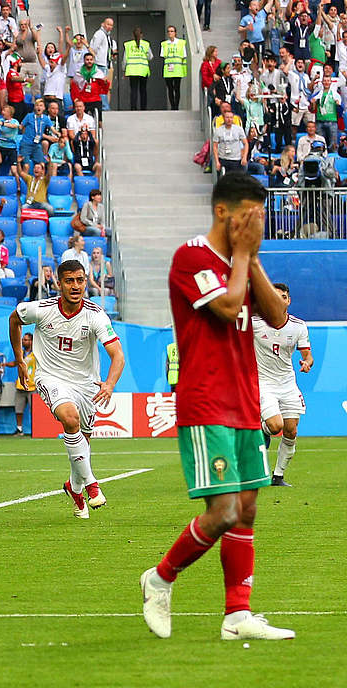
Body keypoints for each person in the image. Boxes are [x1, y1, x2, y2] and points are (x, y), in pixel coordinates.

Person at [141, 171, 295, 642]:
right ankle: (160, 578)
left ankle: (236, 615)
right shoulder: (192, 257)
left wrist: (252, 259)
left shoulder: (242, 261)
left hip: (246, 400)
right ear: (223, 212)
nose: (257, 226)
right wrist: (244, 255)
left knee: (247, 509)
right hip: (207, 402)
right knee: (224, 510)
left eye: (261, 218)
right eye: (251, 217)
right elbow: (228, 308)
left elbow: (276, 315)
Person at [9, 259, 125, 517]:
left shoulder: (95, 315)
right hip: (50, 377)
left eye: (80, 280)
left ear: (86, 282)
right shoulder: (40, 309)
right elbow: (14, 319)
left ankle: (74, 487)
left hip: (85, 385)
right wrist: (19, 359)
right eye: (69, 281)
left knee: (83, 440)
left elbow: (118, 356)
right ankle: (92, 485)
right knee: (70, 420)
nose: (75, 286)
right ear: (58, 283)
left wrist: (109, 383)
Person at [251, 283, 312, 487]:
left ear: (289, 300)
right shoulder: (255, 323)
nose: (280, 300)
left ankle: (278, 477)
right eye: (275, 297)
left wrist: (307, 363)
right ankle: (262, 430)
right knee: (275, 425)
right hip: (264, 383)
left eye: (283, 297)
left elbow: (307, 355)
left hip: (287, 383)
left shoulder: (298, 326)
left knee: (291, 430)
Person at [123, 26, 153, 111]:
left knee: (133, 90)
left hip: (132, 70)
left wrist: (124, 69)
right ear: (142, 35)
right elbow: (150, 56)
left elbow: (125, 59)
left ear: (133, 35)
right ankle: (143, 108)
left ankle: (133, 108)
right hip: (143, 70)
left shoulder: (128, 45)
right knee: (143, 90)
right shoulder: (146, 44)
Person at [13, 331, 36, 435]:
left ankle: (36, 429)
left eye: (26, 340)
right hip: (20, 385)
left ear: (31, 341)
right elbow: (15, 363)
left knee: (34, 410)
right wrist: (4, 364)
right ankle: (19, 429)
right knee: (18, 408)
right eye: (23, 339)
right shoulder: (20, 353)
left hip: (33, 385)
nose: (23, 341)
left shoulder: (36, 353)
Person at [161, 25, 187, 110]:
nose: (170, 33)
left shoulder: (181, 43)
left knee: (177, 88)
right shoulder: (164, 44)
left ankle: (176, 106)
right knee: (170, 88)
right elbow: (163, 56)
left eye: (172, 31)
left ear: (175, 33)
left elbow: (183, 56)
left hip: (177, 69)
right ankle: (172, 106)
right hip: (168, 69)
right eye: (168, 31)